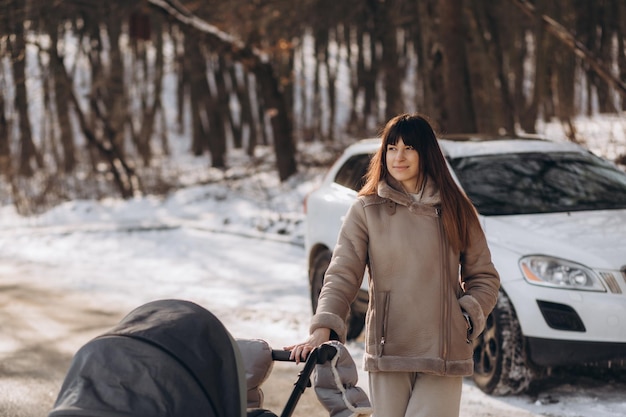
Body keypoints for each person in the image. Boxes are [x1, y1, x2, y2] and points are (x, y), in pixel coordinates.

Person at [285, 113, 500, 417]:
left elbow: (485, 277)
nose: (398, 157)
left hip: (444, 350)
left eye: (409, 148)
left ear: (426, 153)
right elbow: (342, 273)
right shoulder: (366, 209)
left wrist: (464, 317)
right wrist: (324, 325)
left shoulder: (456, 209)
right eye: (391, 148)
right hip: (390, 349)